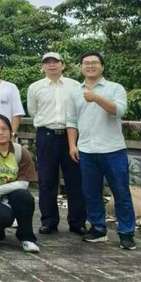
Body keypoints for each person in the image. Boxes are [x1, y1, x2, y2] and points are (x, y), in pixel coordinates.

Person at [66, 52, 135, 250]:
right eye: (86, 63)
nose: (90, 66)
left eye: (94, 63)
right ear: (81, 67)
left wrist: (96, 97)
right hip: (86, 149)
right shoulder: (75, 92)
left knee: (121, 192)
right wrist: (72, 145)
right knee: (90, 192)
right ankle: (98, 228)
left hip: (113, 149)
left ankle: (126, 232)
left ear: (102, 66)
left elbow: (118, 111)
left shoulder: (115, 88)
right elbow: (71, 120)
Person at [27, 52, 86, 235]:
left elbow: (80, 109)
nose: (52, 65)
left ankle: (77, 222)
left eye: (55, 62)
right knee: (47, 180)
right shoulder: (35, 87)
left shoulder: (75, 86)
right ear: (42, 66)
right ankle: (49, 221)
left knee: (75, 180)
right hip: (46, 135)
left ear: (63, 64)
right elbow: (33, 111)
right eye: (47, 62)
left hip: (71, 135)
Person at [0, 114, 40, 253]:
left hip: (10, 193)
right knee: (4, 217)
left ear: (11, 131)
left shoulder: (20, 151)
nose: (1, 133)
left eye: (4, 129)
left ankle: (27, 238)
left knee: (25, 197)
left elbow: (24, 183)